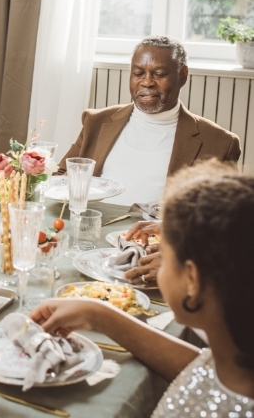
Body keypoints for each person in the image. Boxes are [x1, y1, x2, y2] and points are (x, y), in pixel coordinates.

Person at [31, 161, 254, 416]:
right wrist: (97, 313)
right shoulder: (234, 359)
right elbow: (204, 370)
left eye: (165, 257)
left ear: (192, 278)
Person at [57, 36, 240, 206]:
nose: (147, 82)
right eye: (138, 73)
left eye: (159, 74)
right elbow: (61, 178)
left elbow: (226, 214)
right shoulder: (96, 121)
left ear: (182, 75)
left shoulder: (220, 143)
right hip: (92, 229)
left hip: (160, 238)